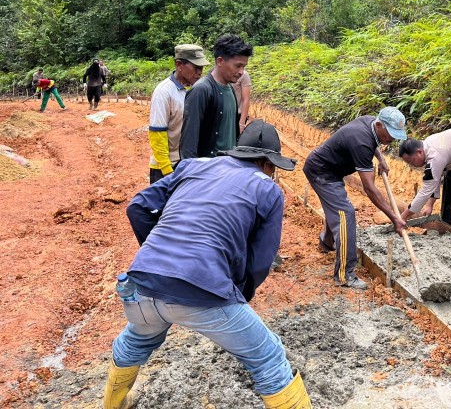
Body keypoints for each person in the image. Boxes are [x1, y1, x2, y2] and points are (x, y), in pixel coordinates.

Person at [103, 120, 311, 409]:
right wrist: (239, 295)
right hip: (202, 290)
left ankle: (113, 404)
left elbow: (138, 207)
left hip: (140, 284)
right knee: (268, 357)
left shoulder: (194, 166)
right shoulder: (267, 189)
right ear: (267, 163)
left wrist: (162, 256)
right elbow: (260, 261)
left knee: (135, 342)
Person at [303, 107, 408, 289]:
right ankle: (345, 275)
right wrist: (394, 218)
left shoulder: (369, 123)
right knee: (346, 213)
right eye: (390, 133)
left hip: (332, 171)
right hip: (322, 172)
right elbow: (370, 188)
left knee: (337, 211)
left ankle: (327, 243)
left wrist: (381, 160)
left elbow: (373, 143)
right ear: (379, 125)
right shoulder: (361, 142)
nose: (391, 139)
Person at [180, 34, 253, 159]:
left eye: (244, 67)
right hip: (210, 171)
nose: (241, 72)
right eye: (238, 66)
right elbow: (188, 143)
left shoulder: (230, 88)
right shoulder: (201, 90)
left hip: (227, 168)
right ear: (220, 61)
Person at [148, 44, 210, 183]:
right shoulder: (164, 92)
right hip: (168, 167)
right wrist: (168, 172)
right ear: (179, 64)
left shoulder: (198, 90)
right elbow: (157, 133)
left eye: (202, 68)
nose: (200, 72)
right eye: (196, 67)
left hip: (189, 165)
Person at [233, 68, 253, 134]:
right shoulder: (222, 74)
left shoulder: (244, 75)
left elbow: (246, 99)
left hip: (237, 115)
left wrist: (242, 122)